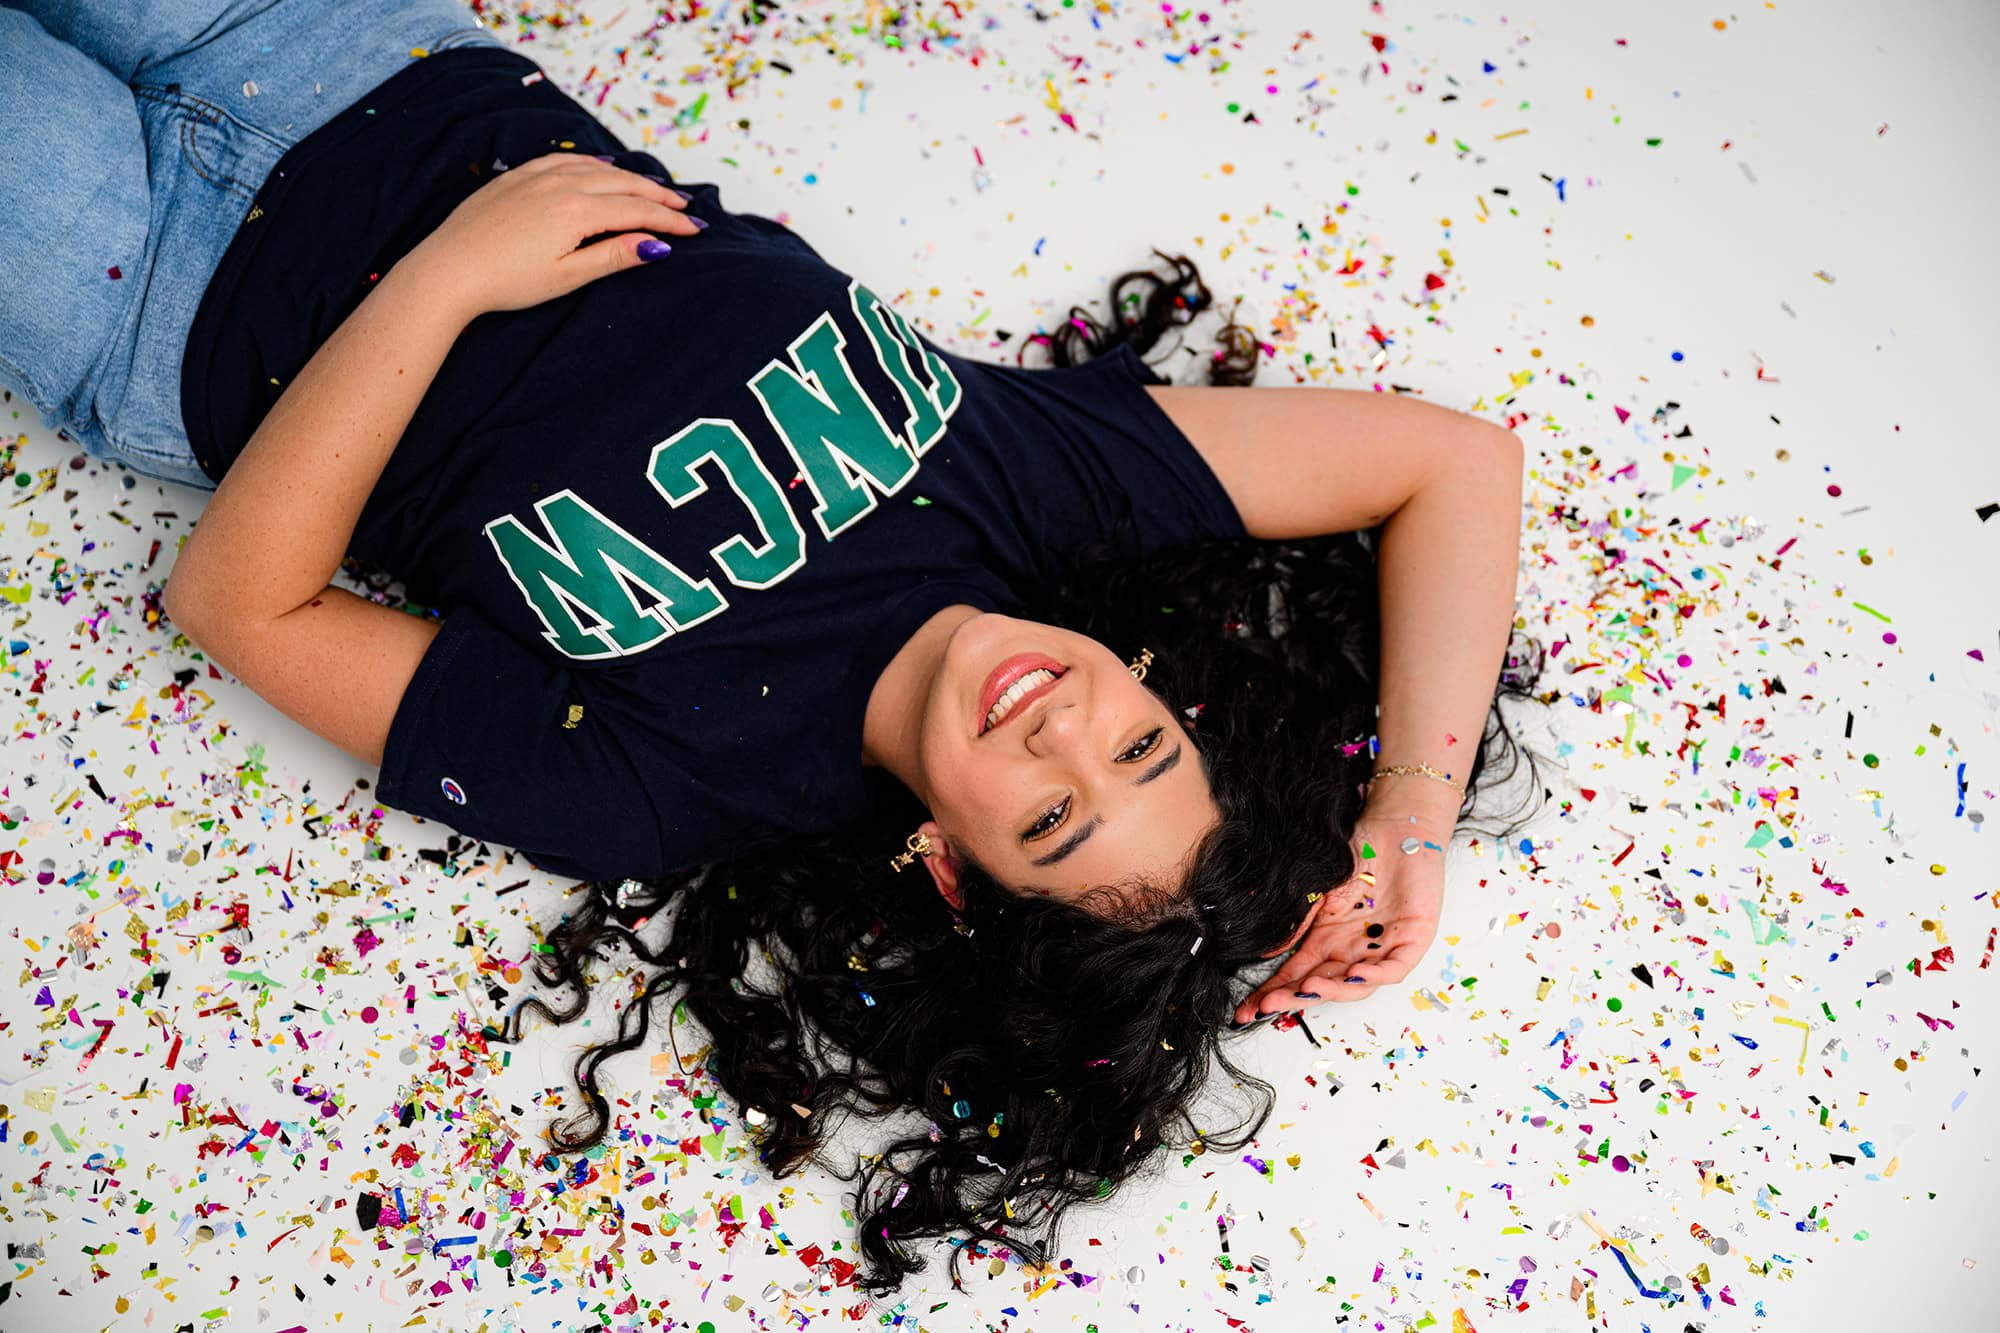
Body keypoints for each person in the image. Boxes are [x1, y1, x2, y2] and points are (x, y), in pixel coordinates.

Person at [0, 0, 1547, 1293]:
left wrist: (453, 276)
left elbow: (236, 601)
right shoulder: (1040, 483)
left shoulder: (683, 784)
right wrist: (1409, 820)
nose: (1064, 725)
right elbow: (1454, 466)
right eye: (1141, 742)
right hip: (347, 53)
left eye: (1054, 815)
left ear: (952, 863)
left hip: (158, 294)